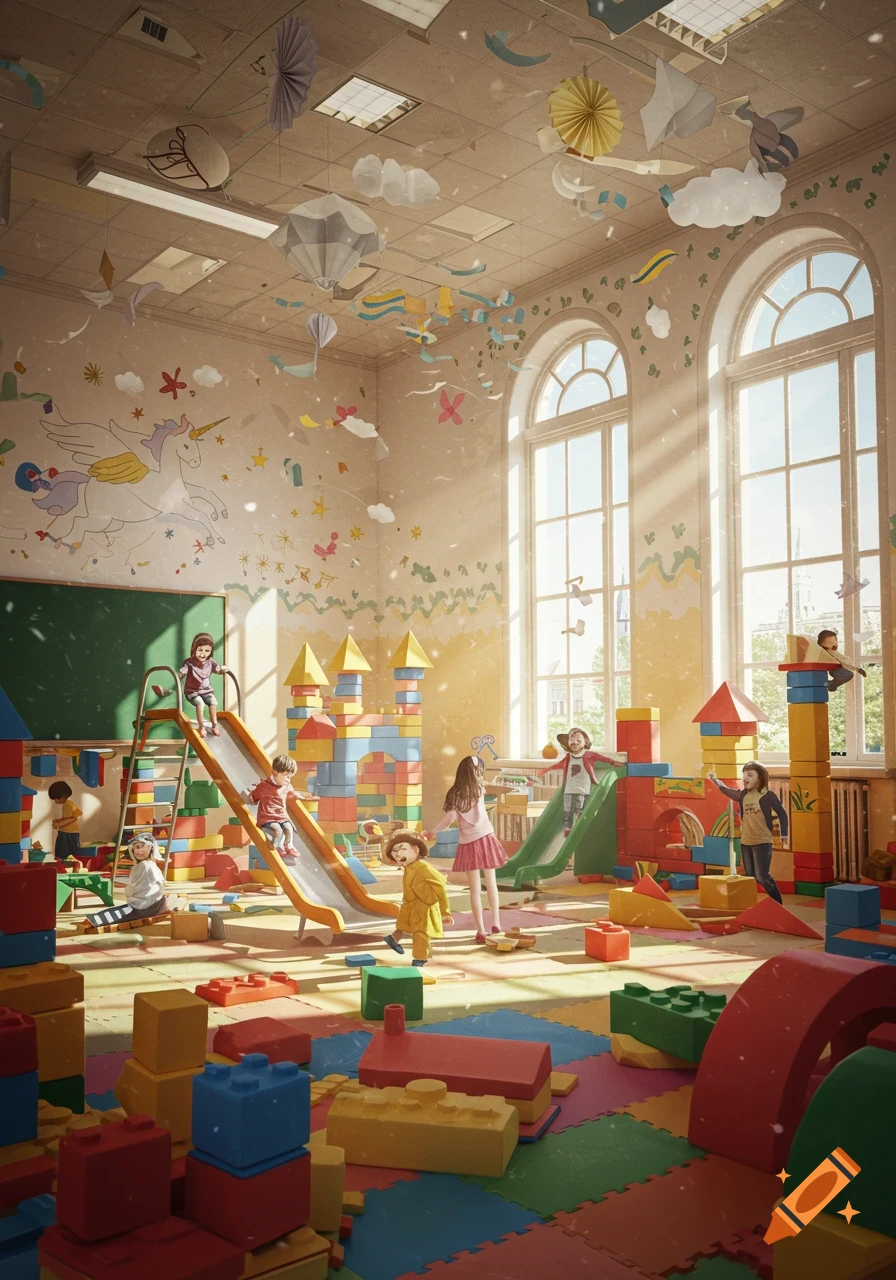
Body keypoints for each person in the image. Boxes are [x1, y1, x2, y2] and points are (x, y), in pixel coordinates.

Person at [424, 755, 506, 945]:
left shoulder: (455, 793)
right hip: (486, 837)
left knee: (474, 890)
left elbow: (449, 818)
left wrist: (433, 831)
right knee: (491, 884)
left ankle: (481, 930)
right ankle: (496, 924)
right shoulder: (480, 789)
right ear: (476, 772)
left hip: (469, 842)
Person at [706, 761, 788, 905]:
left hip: (762, 841)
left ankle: (778, 905)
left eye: (750, 775)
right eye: (744, 775)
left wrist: (784, 835)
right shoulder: (743, 795)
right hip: (746, 842)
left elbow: (782, 814)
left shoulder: (768, 796)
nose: (745, 778)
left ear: (760, 778)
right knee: (750, 877)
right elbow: (726, 790)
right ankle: (751, 906)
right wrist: (715, 780)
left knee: (762, 876)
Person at [383, 830, 453, 966]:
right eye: (395, 850)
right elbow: (408, 885)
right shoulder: (409, 867)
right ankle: (394, 939)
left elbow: (440, 887)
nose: (397, 853)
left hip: (424, 906)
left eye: (403, 849)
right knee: (404, 925)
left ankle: (420, 958)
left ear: (415, 850)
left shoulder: (423, 867)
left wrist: (445, 912)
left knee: (420, 932)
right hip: (410, 903)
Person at [80, 834, 168, 932]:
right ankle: (93, 920)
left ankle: (94, 921)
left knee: (119, 913)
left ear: (151, 849)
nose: (139, 851)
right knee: (121, 911)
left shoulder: (148, 866)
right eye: (136, 848)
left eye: (143, 847)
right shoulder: (139, 865)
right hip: (141, 904)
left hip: (147, 906)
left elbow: (157, 886)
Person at [541, 727, 618, 836]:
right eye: (571, 740)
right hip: (569, 788)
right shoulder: (569, 757)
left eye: (578, 740)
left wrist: (614, 763)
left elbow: (603, 758)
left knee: (579, 808)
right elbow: (559, 765)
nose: (575, 743)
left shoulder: (588, 755)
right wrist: (546, 770)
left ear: (585, 741)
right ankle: (568, 827)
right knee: (567, 809)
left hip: (582, 788)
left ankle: (578, 824)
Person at [241, 754, 300, 865]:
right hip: (267, 818)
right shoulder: (264, 786)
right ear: (275, 773)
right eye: (286, 776)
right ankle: (277, 846)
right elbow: (254, 797)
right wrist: (250, 794)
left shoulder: (286, 785)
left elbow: (291, 794)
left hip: (282, 816)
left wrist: (301, 796)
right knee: (278, 831)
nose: (288, 779)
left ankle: (289, 845)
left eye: (290, 777)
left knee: (288, 828)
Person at [179, 632, 228, 737]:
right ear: (194, 650)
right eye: (200, 650)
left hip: (206, 690)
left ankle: (214, 725)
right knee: (200, 703)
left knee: (212, 701)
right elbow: (183, 672)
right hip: (192, 692)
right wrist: (181, 673)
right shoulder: (189, 663)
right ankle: (201, 728)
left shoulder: (210, 662)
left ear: (211, 652)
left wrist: (223, 669)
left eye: (207, 651)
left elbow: (218, 670)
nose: (203, 654)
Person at [817, 629, 866, 693]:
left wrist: (857, 668)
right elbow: (843, 659)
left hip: (832, 668)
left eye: (835, 642)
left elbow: (843, 659)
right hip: (826, 669)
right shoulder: (820, 651)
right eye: (831, 643)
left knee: (848, 674)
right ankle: (829, 684)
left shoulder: (830, 651)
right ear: (822, 642)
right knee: (847, 674)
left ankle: (830, 684)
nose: (834, 645)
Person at [48, 779, 82, 860]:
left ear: (63, 796)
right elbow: (68, 818)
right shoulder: (68, 804)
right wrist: (59, 820)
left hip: (68, 834)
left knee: (62, 855)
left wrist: (59, 824)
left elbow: (73, 818)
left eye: (56, 799)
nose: (55, 801)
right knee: (66, 855)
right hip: (68, 833)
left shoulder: (68, 805)